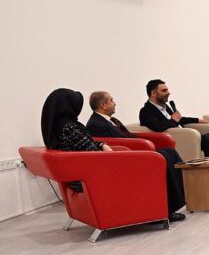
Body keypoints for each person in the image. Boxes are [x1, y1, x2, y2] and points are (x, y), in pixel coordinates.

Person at [44, 88, 187, 224]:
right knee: (165, 157)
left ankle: (177, 201)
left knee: (168, 153)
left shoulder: (62, 126)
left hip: (96, 169)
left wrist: (102, 145)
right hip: (99, 173)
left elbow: (88, 144)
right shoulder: (70, 128)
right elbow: (90, 154)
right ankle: (171, 206)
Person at [86, 90, 187, 219]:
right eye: (111, 100)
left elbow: (128, 136)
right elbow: (110, 144)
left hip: (134, 151)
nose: (115, 103)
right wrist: (140, 145)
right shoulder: (96, 124)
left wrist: (142, 142)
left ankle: (182, 195)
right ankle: (168, 209)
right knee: (165, 157)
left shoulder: (111, 120)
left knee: (170, 152)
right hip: (127, 158)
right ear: (103, 105)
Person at [139, 79, 209, 157]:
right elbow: (158, 127)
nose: (168, 93)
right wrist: (173, 120)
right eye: (164, 90)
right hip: (177, 139)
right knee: (206, 139)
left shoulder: (165, 106)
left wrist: (196, 120)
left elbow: (179, 119)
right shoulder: (146, 111)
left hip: (185, 135)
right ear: (153, 93)